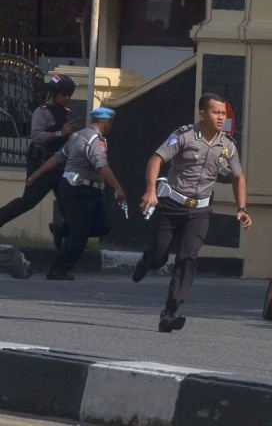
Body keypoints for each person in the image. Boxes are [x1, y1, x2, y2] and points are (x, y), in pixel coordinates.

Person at [132, 93, 251, 333]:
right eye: (216, 112)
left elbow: (238, 176)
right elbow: (156, 159)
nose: (221, 117)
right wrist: (151, 190)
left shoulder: (227, 146)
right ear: (202, 114)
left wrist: (242, 208)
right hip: (172, 206)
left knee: (188, 258)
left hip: (201, 211)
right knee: (158, 258)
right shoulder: (184, 136)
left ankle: (170, 312)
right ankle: (147, 260)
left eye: (224, 113)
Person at [27, 107, 126, 280]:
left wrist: (38, 172)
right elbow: (102, 166)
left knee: (103, 226)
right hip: (80, 190)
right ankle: (57, 270)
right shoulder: (96, 140)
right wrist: (118, 187)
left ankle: (62, 229)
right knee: (79, 235)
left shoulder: (78, 135)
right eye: (111, 124)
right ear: (107, 124)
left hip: (82, 189)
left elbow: (59, 157)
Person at [0, 74, 78, 248]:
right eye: (64, 94)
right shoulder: (42, 112)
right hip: (42, 163)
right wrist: (59, 133)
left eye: (69, 95)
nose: (67, 98)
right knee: (28, 201)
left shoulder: (66, 113)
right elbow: (36, 136)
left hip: (61, 164)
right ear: (55, 94)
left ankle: (63, 234)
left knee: (69, 204)